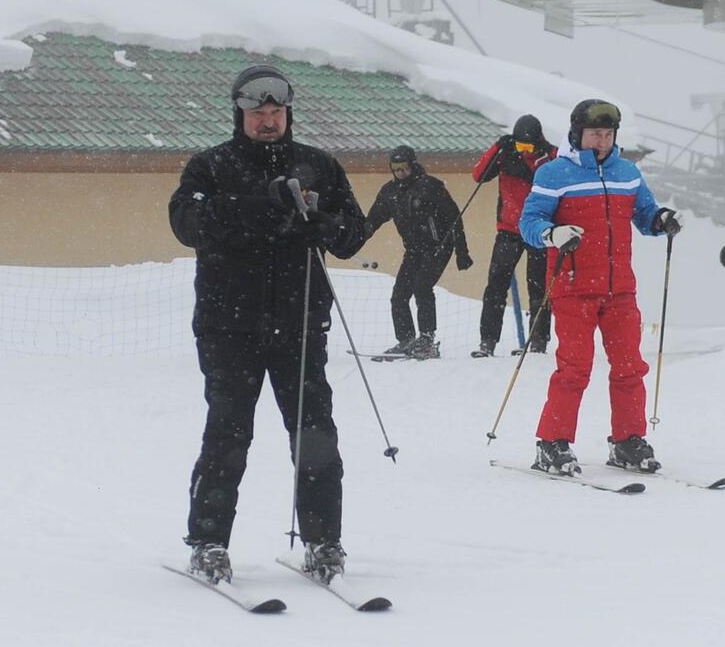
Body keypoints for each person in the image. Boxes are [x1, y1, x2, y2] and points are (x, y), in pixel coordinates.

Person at [169, 65, 366, 584]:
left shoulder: (318, 165)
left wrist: (325, 225)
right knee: (228, 436)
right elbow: (187, 224)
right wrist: (262, 206)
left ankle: (324, 543)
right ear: (240, 113)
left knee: (314, 436)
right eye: (257, 112)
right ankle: (208, 542)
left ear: (287, 112)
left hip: (300, 325)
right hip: (228, 326)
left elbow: (353, 233)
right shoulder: (210, 166)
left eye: (275, 112)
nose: (267, 120)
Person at [519, 99, 681, 476]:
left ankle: (627, 440)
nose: (602, 141)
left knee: (629, 367)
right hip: (573, 286)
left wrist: (662, 220)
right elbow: (529, 221)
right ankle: (552, 443)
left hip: (620, 288)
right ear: (577, 134)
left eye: (608, 135)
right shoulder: (554, 174)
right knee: (574, 369)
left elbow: (644, 214)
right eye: (595, 134)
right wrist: (552, 233)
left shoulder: (627, 172)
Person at [365, 145, 473, 359]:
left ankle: (426, 339)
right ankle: (406, 340)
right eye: (396, 169)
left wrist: (462, 251)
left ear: (413, 165)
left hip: (438, 247)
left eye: (404, 168)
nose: (401, 173)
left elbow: (454, 218)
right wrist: (353, 239)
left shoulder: (430, 186)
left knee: (422, 287)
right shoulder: (390, 192)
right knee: (399, 294)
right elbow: (373, 220)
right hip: (414, 250)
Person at [471, 115, 557, 358]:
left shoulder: (551, 156)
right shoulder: (506, 152)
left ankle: (538, 342)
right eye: (520, 146)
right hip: (508, 230)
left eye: (528, 147)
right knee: (495, 286)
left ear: (538, 141)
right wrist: (499, 146)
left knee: (538, 288)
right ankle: (487, 341)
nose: (524, 151)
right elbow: (479, 175)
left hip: (540, 231)